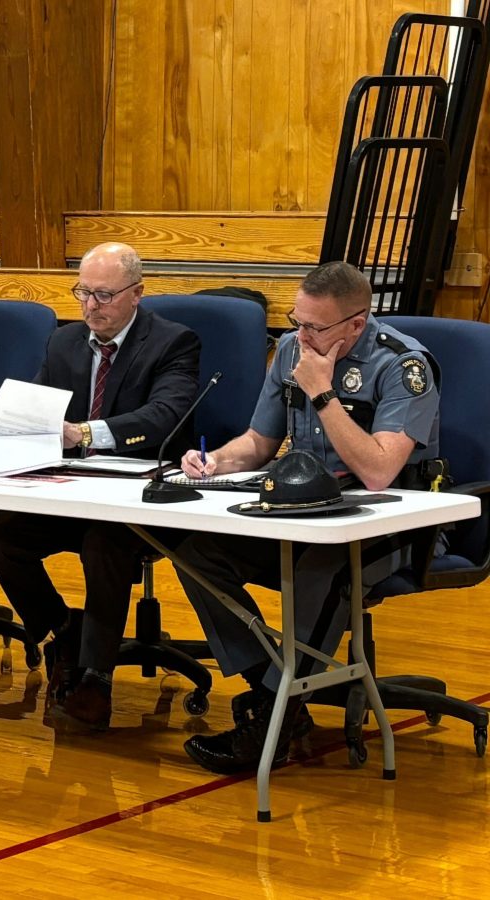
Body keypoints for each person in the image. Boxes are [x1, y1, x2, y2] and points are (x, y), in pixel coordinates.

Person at [172, 260, 440, 774]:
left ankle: (272, 724)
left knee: (325, 565)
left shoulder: (403, 365)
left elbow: (379, 471)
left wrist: (322, 392)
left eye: (315, 326)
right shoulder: (294, 351)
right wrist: (216, 461)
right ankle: (269, 685)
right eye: (297, 321)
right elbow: (259, 442)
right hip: (305, 510)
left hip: (390, 523)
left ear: (356, 324)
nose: (301, 335)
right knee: (196, 552)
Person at [0, 242, 200, 729]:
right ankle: (65, 630)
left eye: (104, 295)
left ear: (136, 293)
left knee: (102, 544)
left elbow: (164, 416)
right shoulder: (64, 342)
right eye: (83, 293)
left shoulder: (173, 342)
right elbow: (35, 408)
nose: (91, 306)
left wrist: (85, 433)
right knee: (3, 546)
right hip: (75, 489)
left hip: (139, 495)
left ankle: (96, 678)